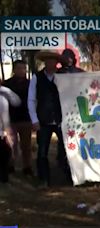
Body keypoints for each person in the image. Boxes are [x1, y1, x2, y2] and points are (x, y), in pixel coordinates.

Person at [28, 50, 70, 188]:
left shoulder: (64, 76)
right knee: (42, 152)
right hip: (43, 120)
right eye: (48, 61)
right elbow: (31, 99)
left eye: (53, 61)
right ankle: (44, 179)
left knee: (67, 150)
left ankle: (69, 177)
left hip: (61, 120)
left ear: (57, 63)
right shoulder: (37, 77)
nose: (50, 63)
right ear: (45, 62)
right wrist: (34, 120)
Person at [2, 60, 33, 176]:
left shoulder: (30, 84)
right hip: (11, 120)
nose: (21, 71)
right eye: (19, 68)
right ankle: (11, 165)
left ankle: (27, 167)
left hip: (26, 119)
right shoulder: (6, 84)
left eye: (23, 68)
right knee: (11, 145)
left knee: (26, 146)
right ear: (14, 70)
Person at [0, 84, 21, 183]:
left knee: (4, 155)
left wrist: (7, 131)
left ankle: (4, 176)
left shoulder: (2, 97)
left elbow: (17, 102)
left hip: (1, 132)